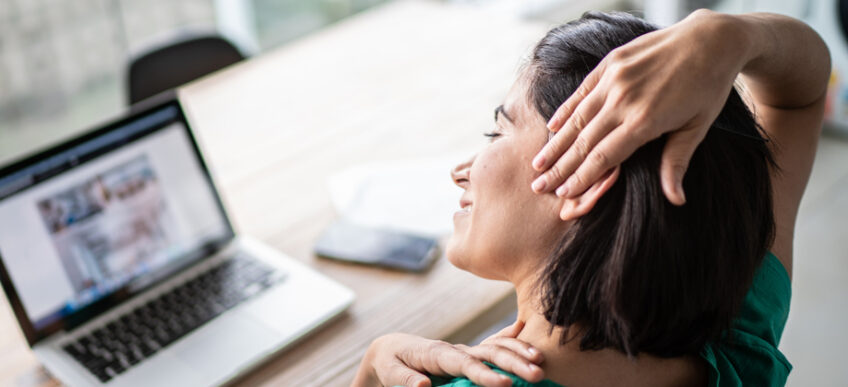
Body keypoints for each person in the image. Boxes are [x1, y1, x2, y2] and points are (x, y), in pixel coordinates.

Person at [352, 8, 828, 387]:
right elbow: (799, 95)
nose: (461, 172)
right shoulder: (742, 339)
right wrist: (728, 36)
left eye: (496, 133)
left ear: (583, 179)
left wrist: (373, 369)